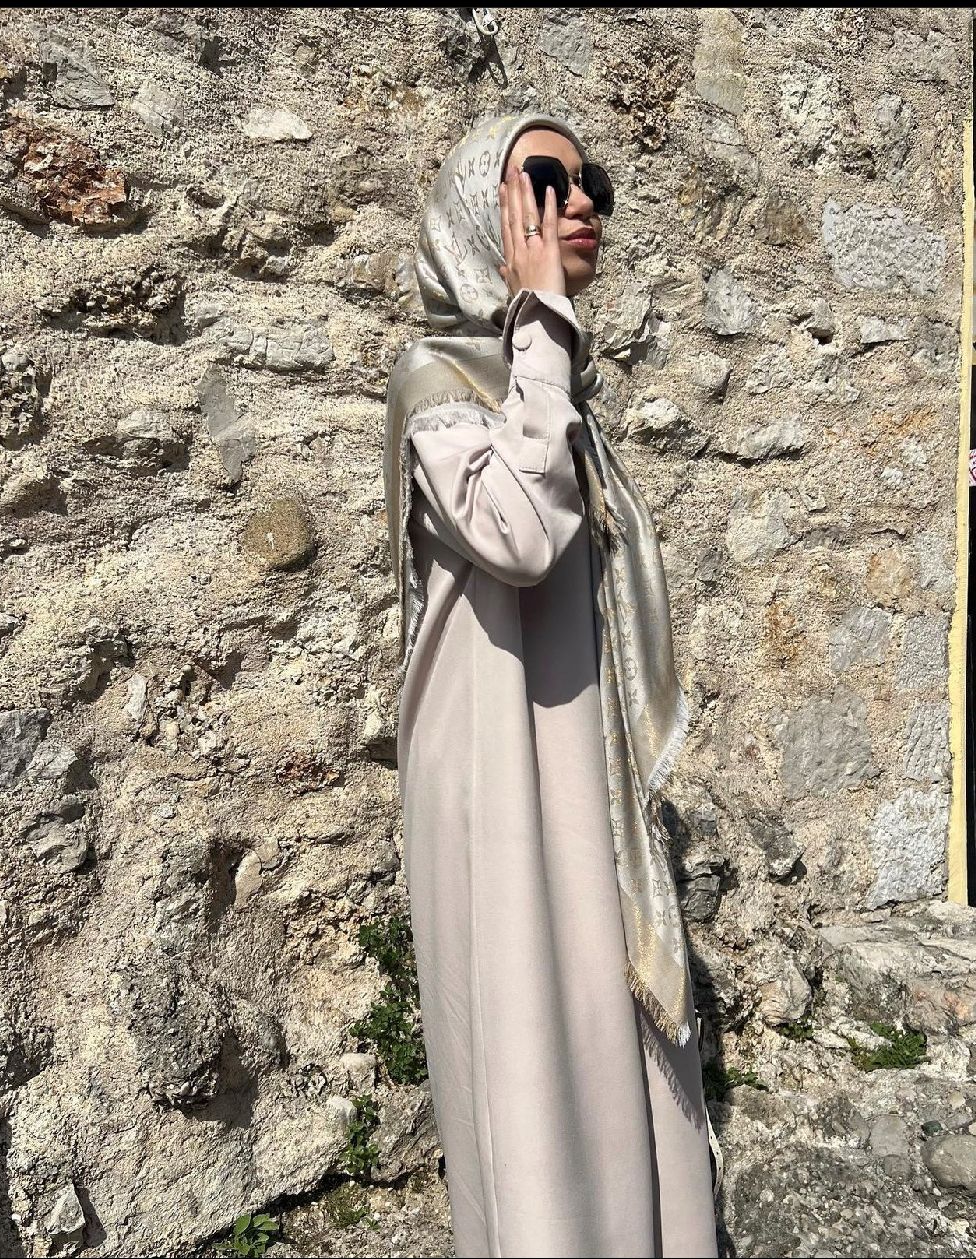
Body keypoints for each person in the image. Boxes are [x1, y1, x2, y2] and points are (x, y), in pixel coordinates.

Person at [382, 112, 719, 1259]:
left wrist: (544, 350)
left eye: (592, 184)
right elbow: (517, 534)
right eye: (544, 180)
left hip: (578, 767)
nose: (580, 205)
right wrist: (542, 333)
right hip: (499, 773)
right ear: (481, 209)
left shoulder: (547, 380)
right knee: (534, 1055)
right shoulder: (441, 377)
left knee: (610, 1036)